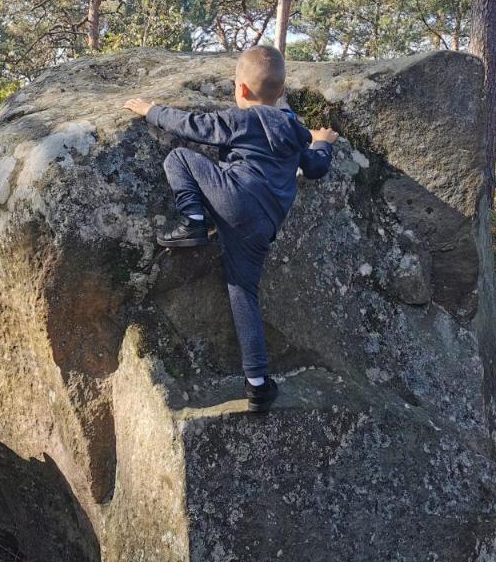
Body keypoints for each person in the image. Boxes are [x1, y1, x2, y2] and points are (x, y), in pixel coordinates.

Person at [123, 46, 338, 412]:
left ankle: (192, 221)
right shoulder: (296, 132)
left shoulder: (240, 121)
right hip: (264, 224)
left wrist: (150, 110)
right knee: (243, 294)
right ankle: (258, 384)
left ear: (239, 90)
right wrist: (322, 142)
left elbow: (192, 127)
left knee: (179, 158)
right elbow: (316, 167)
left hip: (234, 198)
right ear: (281, 93)